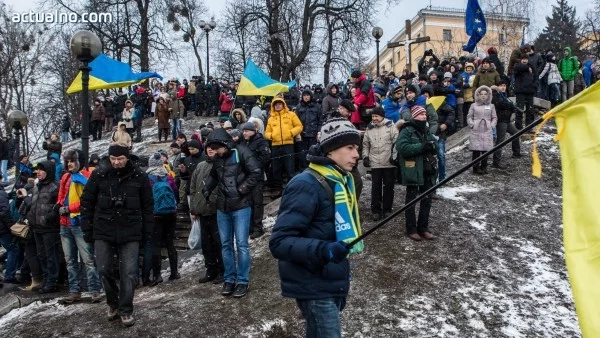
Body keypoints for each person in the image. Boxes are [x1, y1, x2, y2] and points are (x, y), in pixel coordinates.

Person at [270, 117, 363, 338]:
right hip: (313, 284)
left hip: (330, 280)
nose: (356, 154)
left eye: (357, 148)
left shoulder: (341, 181)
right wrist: (325, 250)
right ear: (330, 151)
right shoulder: (306, 184)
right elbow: (279, 242)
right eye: (350, 147)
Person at [80, 142, 154, 327]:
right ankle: (112, 303)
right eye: (113, 159)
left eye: (120, 159)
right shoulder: (99, 174)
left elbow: (147, 207)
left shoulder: (140, 177)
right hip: (104, 228)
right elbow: (87, 202)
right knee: (103, 269)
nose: (116, 162)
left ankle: (126, 308)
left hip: (130, 229)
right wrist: (87, 229)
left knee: (129, 273)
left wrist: (147, 233)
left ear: (127, 158)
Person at [202, 128, 262, 298]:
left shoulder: (242, 152)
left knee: (242, 245)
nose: (215, 152)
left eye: (217, 148)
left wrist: (242, 189)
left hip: (241, 206)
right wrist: (207, 187)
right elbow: (214, 175)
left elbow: (256, 172)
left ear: (225, 144)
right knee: (226, 244)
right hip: (223, 207)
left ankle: (242, 280)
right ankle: (230, 278)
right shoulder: (217, 159)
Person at [56, 149, 102, 303]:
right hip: (65, 223)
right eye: (67, 161)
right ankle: (74, 290)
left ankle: (94, 289)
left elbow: (87, 200)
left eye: (72, 161)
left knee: (88, 259)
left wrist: (69, 208)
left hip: (79, 223)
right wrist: (59, 206)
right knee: (70, 260)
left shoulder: (86, 176)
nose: (69, 164)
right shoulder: (65, 177)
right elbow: (61, 196)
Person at [396, 106, 438, 241]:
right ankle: (411, 229)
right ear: (414, 116)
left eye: (425, 114)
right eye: (421, 114)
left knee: (427, 201)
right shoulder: (407, 130)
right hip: (413, 170)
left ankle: (423, 228)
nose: (424, 116)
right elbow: (402, 148)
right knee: (411, 201)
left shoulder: (426, 130)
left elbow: (435, 144)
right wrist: (422, 147)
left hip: (427, 170)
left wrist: (433, 146)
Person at [190, 147, 224, 284]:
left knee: (219, 243)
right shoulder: (200, 166)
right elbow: (193, 188)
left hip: (217, 211)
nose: (210, 149)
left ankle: (223, 270)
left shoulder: (222, 164)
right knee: (206, 245)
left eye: (213, 147)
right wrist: (194, 208)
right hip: (202, 212)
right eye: (208, 147)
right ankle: (211, 270)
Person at [27, 161, 62, 293]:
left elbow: (58, 205)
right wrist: (31, 218)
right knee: (41, 255)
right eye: (38, 170)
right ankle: (46, 280)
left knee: (51, 256)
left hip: (50, 228)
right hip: (37, 227)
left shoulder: (55, 187)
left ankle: (52, 282)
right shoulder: (37, 187)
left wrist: (50, 216)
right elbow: (34, 205)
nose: (39, 172)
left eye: (42, 170)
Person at [146, 152, 179, 286]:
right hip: (171, 213)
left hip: (155, 214)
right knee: (170, 242)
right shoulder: (168, 176)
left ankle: (157, 275)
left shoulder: (148, 178)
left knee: (156, 245)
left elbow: (146, 197)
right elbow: (175, 192)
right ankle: (174, 272)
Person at [362, 107, 398, 221]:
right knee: (375, 187)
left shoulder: (391, 126)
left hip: (388, 162)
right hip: (375, 162)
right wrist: (365, 157)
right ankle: (376, 210)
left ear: (382, 116)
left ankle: (387, 209)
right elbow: (366, 145)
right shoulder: (369, 128)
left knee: (388, 186)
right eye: (373, 116)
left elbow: (396, 142)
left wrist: (394, 156)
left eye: (376, 116)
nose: (374, 118)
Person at [264, 97, 303, 192]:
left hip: (288, 144)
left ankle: (291, 188)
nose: (278, 105)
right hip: (275, 145)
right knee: (276, 168)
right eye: (276, 104)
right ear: (273, 106)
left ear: (283, 104)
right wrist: (272, 136)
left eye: (279, 104)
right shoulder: (270, 119)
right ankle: (277, 188)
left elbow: (299, 126)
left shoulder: (291, 115)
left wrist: (291, 133)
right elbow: (266, 133)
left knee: (290, 167)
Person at [241, 122, 270, 239]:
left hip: (257, 177)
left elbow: (265, 157)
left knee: (257, 202)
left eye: (246, 131)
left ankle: (258, 227)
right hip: (246, 177)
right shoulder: (244, 143)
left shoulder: (261, 142)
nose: (244, 133)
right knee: (249, 202)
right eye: (243, 131)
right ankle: (250, 227)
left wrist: (253, 167)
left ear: (253, 131)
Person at [467, 86, 498, 174]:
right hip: (476, 129)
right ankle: (475, 168)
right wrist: (472, 124)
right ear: (478, 95)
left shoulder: (491, 106)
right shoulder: (473, 105)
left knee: (485, 150)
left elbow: (494, 117)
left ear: (488, 95)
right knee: (476, 150)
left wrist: (491, 125)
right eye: (481, 94)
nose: (483, 96)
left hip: (487, 129)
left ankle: (484, 167)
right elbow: (469, 116)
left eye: (485, 94)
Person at [491, 82, 522, 169]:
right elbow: (500, 104)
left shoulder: (504, 95)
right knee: (500, 141)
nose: (503, 87)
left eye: (504, 85)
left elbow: (511, 107)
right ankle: (496, 162)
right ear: (498, 86)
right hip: (500, 121)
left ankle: (516, 153)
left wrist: (511, 106)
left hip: (507, 120)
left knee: (516, 133)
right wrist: (510, 105)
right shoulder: (495, 94)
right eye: (501, 85)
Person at [295, 90, 322, 172]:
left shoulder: (317, 106)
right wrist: (298, 133)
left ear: (310, 96)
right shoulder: (299, 107)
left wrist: (319, 131)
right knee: (302, 156)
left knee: (314, 154)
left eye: (307, 95)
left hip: (313, 135)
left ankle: (314, 171)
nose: (306, 97)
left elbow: (320, 120)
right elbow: (296, 121)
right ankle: (303, 172)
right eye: (304, 95)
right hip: (302, 135)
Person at [0, 180, 19, 284]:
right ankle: (10, 275)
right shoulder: (1, 194)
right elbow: (4, 212)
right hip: (3, 228)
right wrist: (12, 226)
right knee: (13, 249)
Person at [513, 54, 536, 129]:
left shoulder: (531, 67)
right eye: (523, 59)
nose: (524, 60)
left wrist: (535, 86)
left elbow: (536, 77)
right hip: (520, 92)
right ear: (521, 60)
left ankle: (529, 127)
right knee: (519, 110)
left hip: (530, 91)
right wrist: (527, 67)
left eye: (526, 59)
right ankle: (518, 127)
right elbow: (518, 68)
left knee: (530, 110)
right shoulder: (518, 66)